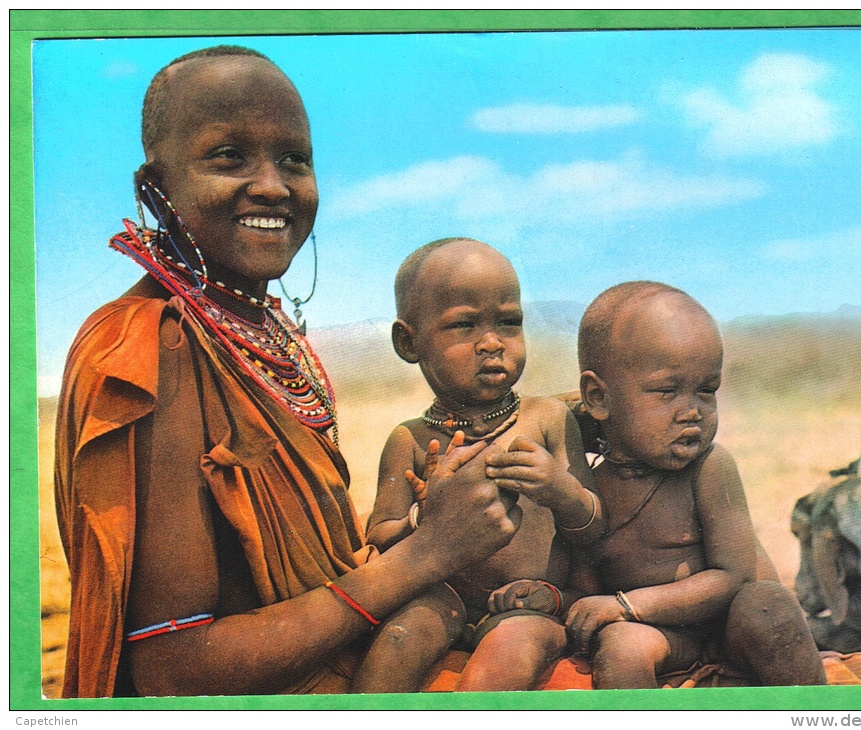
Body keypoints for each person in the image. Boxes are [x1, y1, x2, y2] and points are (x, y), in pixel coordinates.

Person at [54, 46, 523, 698]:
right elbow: (168, 670)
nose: (273, 185)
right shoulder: (150, 348)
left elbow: (316, 571)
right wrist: (427, 553)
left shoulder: (261, 327)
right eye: (229, 157)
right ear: (155, 190)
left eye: (295, 161)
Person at [356, 238, 603, 692]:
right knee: (397, 642)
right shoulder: (410, 439)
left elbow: (593, 527)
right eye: (464, 325)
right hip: (441, 597)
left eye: (509, 323)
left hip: (531, 603)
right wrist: (423, 517)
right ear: (408, 342)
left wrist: (558, 489)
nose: (492, 343)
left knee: (505, 661)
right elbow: (378, 537)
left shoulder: (545, 418)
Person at [565, 281, 826, 689]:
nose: (692, 412)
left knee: (768, 604)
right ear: (598, 399)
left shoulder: (709, 467)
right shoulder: (587, 487)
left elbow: (734, 576)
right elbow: (585, 584)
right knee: (623, 647)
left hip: (731, 629)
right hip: (663, 636)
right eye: (667, 391)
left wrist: (628, 604)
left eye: (707, 391)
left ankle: (812, 709)